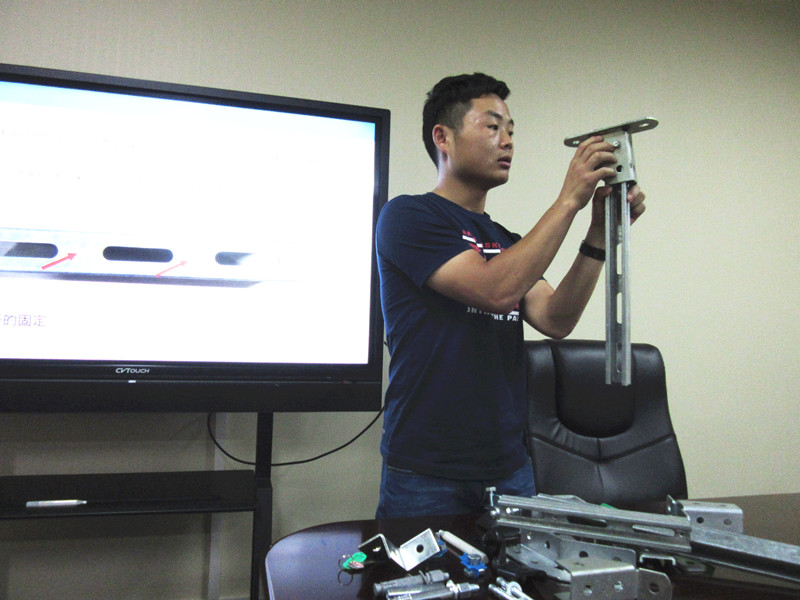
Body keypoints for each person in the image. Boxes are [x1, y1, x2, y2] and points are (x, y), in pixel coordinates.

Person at [375, 73, 646, 518]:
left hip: (508, 465)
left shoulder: (506, 242)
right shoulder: (407, 216)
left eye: (512, 131)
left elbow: (556, 318)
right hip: (425, 470)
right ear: (443, 137)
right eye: (492, 126)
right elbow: (495, 290)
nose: (507, 142)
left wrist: (599, 231)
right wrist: (569, 200)